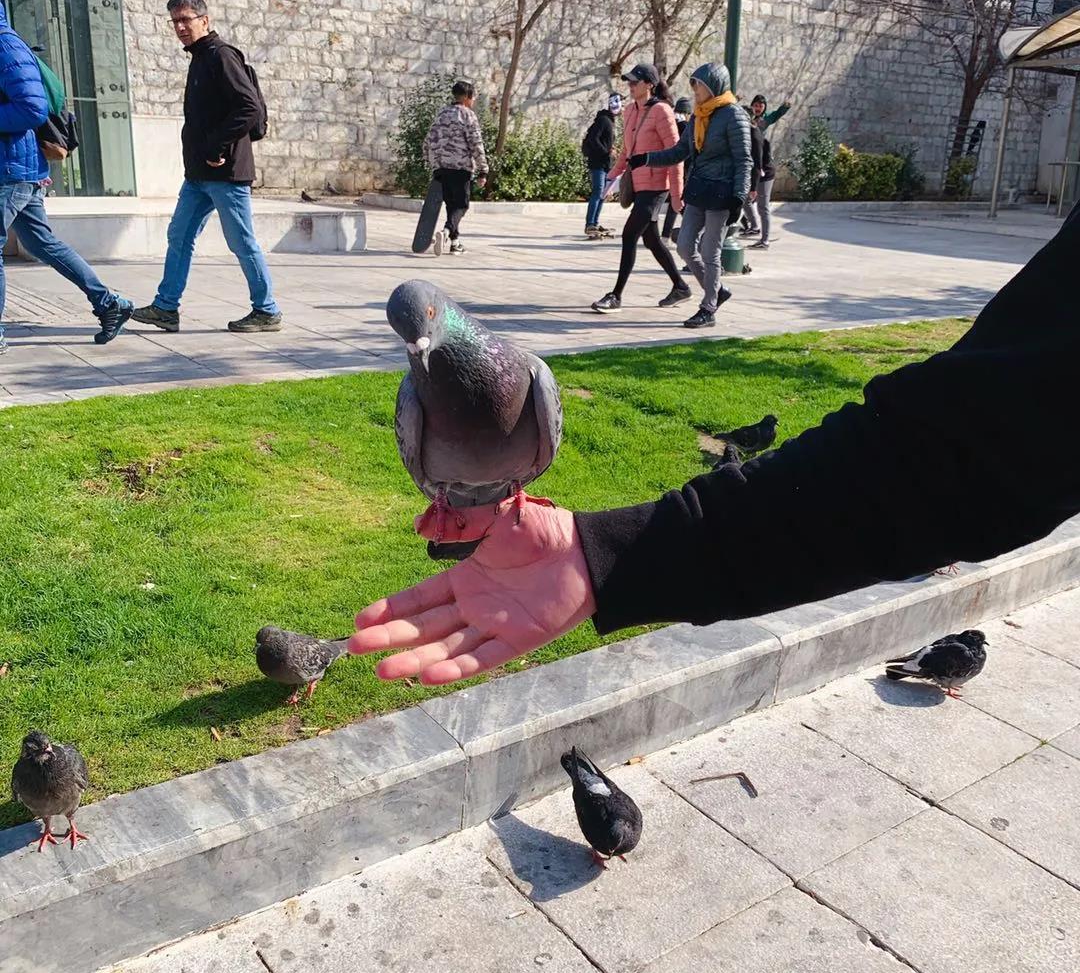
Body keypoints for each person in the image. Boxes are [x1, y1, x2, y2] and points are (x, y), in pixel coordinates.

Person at [347, 209, 1080, 686]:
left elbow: (968, 451)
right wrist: (603, 553)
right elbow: (965, 452)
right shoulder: (417, 396)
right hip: (469, 500)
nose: (420, 350)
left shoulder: (530, 376)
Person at [131, 0, 282, 336]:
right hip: (198, 174)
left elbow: (249, 108)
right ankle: (166, 308)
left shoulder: (221, 56)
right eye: (176, 21)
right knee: (179, 236)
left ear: (205, 20)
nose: (181, 27)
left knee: (242, 242)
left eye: (187, 19)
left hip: (225, 173)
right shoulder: (199, 58)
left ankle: (267, 309)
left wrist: (216, 144)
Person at [0, 1, 133, 353]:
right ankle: (109, 304)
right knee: (43, 243)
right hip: (16, 167)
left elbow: (32, 107)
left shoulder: (5, 44)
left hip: (11, 169)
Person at [631, 63, 751, 329]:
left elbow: (744, 160)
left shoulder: (734, 115)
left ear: (714, 87)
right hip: (699, 189)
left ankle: (708, 308)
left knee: (711, 251)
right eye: (694, 85)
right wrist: (646, 158)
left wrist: (738, 197)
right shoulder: (699, 116)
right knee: (685, 245)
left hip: (722, 193)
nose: (695, 91)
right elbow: (679, 152)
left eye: (700, 86)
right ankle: (717, 290)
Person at [590, 64, 689, 314]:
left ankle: (616, 295)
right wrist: (611, 179)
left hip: (656, 187)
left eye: (635, 82)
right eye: (629, 82)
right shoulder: (631, 111)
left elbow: (675, 156)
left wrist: (677, 197)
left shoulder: (662, 111)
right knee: (652, 240)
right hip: (639, 184)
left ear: (649, 84)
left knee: (629, 234)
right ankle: (680, 286)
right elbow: (627, 152)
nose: (630, 86)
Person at [421, 79, 489, 257]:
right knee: (461, 205)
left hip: (441, 168)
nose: (473, 101)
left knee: (451, 205)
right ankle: (445, 231)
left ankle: (455, 243)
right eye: (473, 98)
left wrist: (431, 163)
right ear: (467, 97)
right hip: (460, 167)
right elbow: (476, 143)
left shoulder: (442, 113)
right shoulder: (468, 115)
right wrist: (483, 170)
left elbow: (428, 141)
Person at [742, 93, 788, 236]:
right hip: (750, 163)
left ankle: (763, 236)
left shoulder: (763, 121)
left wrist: (784, 108)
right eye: (756, 105)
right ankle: (754, 226)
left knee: (760, 204)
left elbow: (775, 115)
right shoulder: (746, 119)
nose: (758, 108)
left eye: (761, 106)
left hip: (761, 163)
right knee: (746, 199)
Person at [581, 92, 621, 239]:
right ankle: (589, 223)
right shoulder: (603, 120)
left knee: (602, 194)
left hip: (604, 163)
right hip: (598, 163)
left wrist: (611, 150)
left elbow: (604, 141)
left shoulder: (610, 121)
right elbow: (593, 139)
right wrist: (607, 151)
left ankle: (595, 223)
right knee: (598, 192)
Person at [662, 95, 692, 244]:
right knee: (680, 203)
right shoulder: (687, 127)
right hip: (683, 171)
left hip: (668, 166)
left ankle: (665, 235)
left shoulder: (670, 124)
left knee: (675, 202)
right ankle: (670, 235)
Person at [743, 115, 775, 250]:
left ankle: (765, 240)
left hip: (765, 173)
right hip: (757, 172)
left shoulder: (754, 136)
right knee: (746, 200)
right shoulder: (748, 134)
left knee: (763, 206)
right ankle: (755, 227)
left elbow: (757, 164)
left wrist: (754, 188)